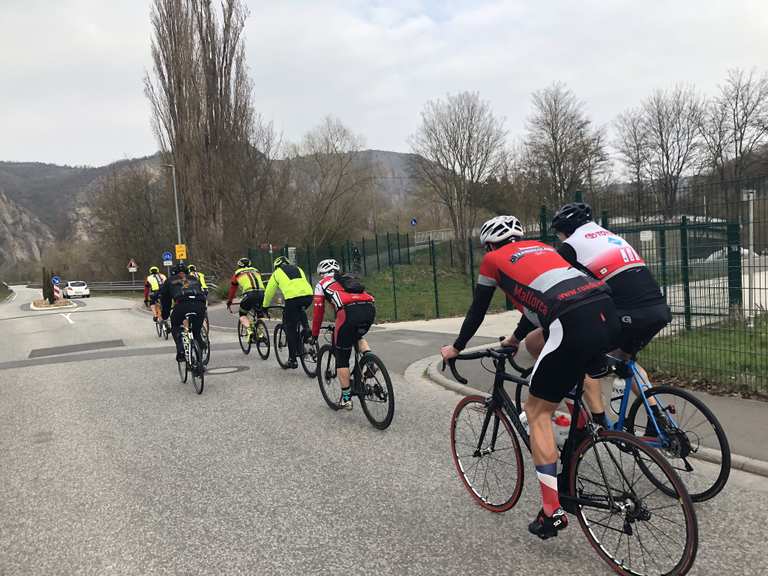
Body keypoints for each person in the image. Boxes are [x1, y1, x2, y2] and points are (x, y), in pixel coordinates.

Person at [440, 215, 620, 540]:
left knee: (536, 410)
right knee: (547, 355)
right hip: (605, 311)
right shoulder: (541, 248)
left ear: (490, 245)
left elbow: (478, 310)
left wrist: (456, 347)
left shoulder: (493, 260)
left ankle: (551, 512)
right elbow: (535, 305)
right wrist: (512, 340)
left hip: (571, 322)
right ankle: (581, 436)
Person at [541, 202, 672, 427]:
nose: (560, 238)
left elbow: (558, 287)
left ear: (565, 229)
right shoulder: (610, 236)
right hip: (658, 310)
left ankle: (600, 425)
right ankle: (658, 418)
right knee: (624, 360)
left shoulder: (570, 246)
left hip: (629, 313)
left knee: (584, 358)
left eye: (559, 233)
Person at [310, 259, 376, 409]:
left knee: (342, 358)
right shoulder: (348, 278)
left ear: (321, 273)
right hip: (369, 309)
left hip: (348, 313)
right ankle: (369, 360)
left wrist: (314, 334)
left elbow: (318, 312)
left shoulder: (321, 285)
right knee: (357, 335)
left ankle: (346, 398)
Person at [262, 256, 313, 369]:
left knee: (290, 328)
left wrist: (265, 306)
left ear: (276, 266)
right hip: (308, 296)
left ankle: (292, 360)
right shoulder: (298, 268)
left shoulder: (277, 273)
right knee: (301, 310)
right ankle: (306, 329)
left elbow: (269, 291)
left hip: (292, 299)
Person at [159, 263, 207, 363]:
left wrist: (165, 314)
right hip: (199, 304)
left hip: (182, 304)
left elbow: (165, 300)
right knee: (196, 331)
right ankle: (201, 349)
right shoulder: (194, 278)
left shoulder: (170, 280)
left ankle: (181, 351)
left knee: (176, 327)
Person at [226, 258, 266, 341]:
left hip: (249, 294)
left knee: (242, 313)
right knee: (260, 313)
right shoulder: (256, 271)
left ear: (239, 266)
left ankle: (249, 330)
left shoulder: (237, 273)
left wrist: (229, 301)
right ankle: (261, 333)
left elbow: (233, 289)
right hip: (262, 293)